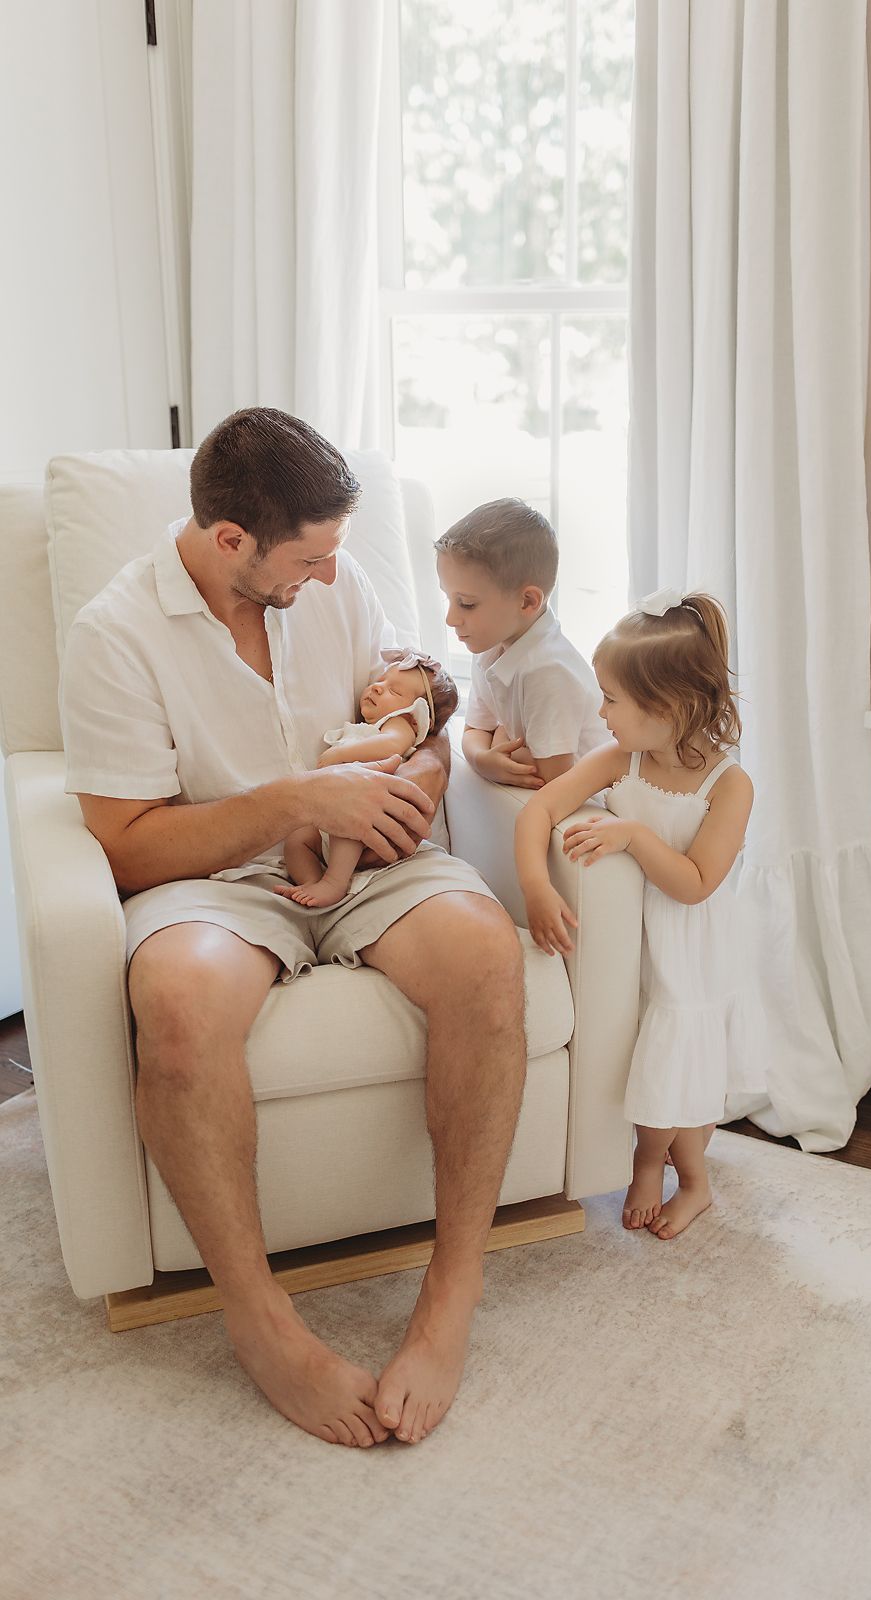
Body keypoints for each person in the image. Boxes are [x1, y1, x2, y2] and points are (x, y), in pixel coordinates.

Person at [59, 407, 527, 1449]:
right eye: (307, 558)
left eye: (334, 554)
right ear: (231, 540)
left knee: (487, 956)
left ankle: (450, 1296)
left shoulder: (336, 582)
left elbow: (412, 724)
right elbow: (127, 846)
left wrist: (415, 777)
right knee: (175, 1002)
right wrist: (293, 804)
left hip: (367, 859)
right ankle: (261, 1320)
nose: (326, 577)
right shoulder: (114, 634)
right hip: (214, 878)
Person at [515, 588, 764, 1239]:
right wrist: (537, 885)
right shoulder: (619, 759)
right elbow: (540, 808)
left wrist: (633, 837)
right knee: (650, 1070)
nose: (599, 712)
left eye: (610, 699)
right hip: (632, 942)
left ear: (669, 706)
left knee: (679, 1077)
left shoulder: (728, 785)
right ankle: (649, 1160)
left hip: (689, 951)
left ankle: (682, 1175)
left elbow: (696, 883)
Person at [435, 498, 609, 790]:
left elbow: (554, 778)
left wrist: (501, 740)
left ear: (527, 601)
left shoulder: (547, 670)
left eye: (466, 604)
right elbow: (476, 727)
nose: (451, 618)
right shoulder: (489, 646)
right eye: (448, 598)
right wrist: (481, 759)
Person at [275, 648, 459, 908]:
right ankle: (313, 881)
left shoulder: (400, 726)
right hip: (331, 814)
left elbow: (392, 745)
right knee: (297, 839)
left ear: (418, 717)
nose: (377, 688)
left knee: (350, 821)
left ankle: (334, 882)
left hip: (365, 814)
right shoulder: (368, 728)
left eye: (394, 691)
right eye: (379, 681)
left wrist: (341, 754)